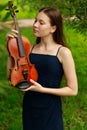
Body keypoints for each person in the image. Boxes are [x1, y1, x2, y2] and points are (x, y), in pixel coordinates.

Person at [7, 7, 78, 130]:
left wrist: (42, 89)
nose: (35, 25)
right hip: (30, 107)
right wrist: (10, 47)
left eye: (41, 22)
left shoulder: (63, 52)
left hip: (51, 109)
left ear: (53, 28)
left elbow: (73, 90)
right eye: (35, 21)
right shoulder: (29, 49)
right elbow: (11, 77)